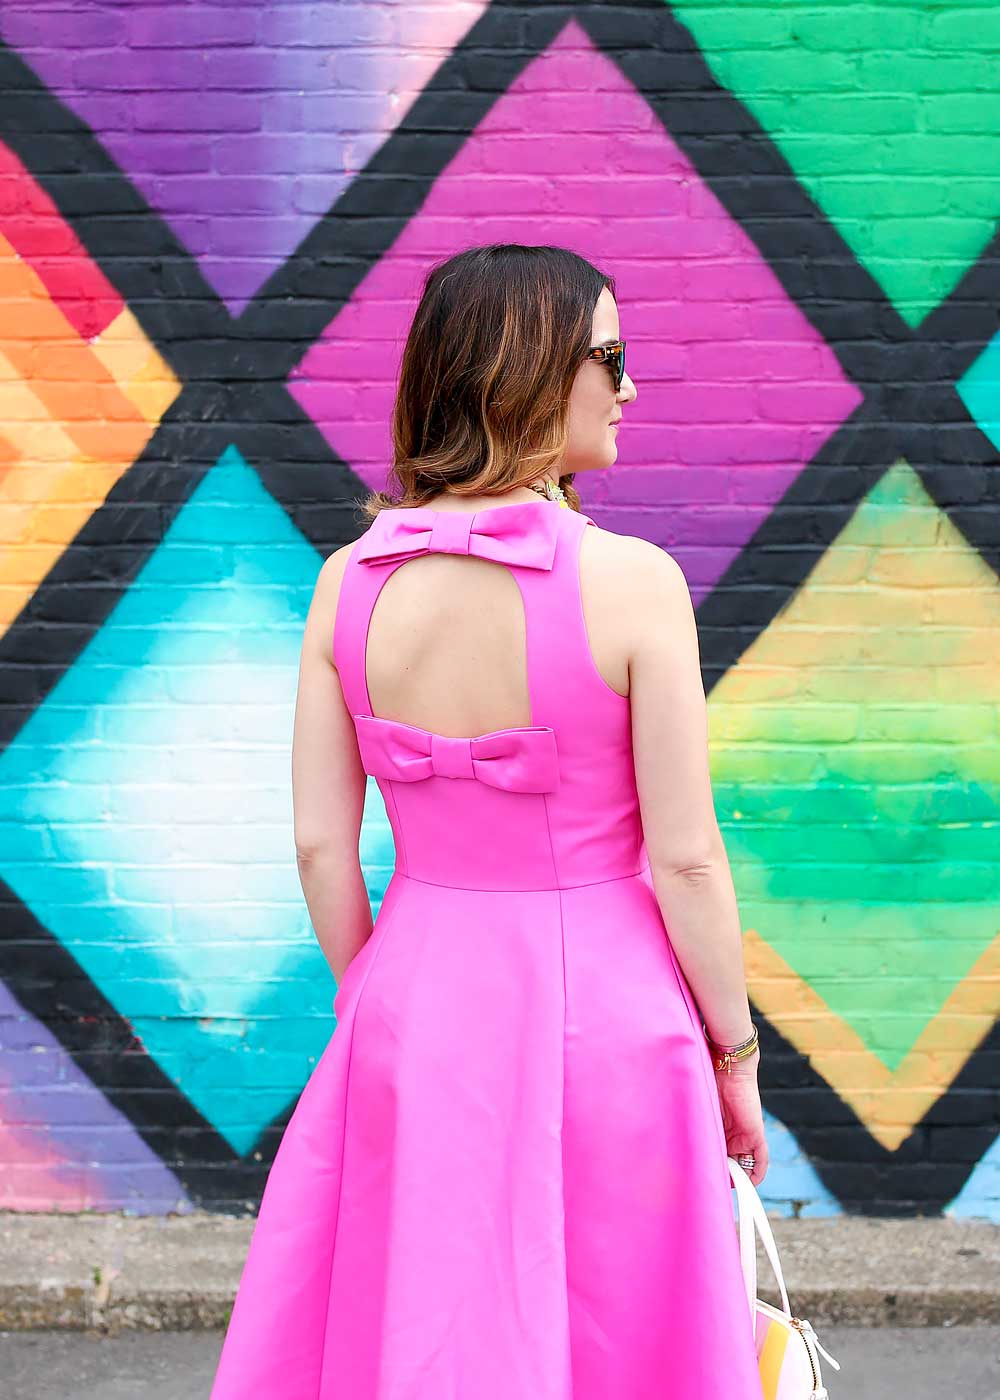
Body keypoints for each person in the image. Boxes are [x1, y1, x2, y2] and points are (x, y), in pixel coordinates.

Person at [210, 243, 767, 1399]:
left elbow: (321, 843)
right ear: (525, 372)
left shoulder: (345, 581)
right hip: (609, 1018)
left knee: (425, 1325)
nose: (630, 384)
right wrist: (735, 1050)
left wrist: (377, 996)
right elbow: (684, 855)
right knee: (613, 1334)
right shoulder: (634, 583)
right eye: (607, 356)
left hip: (414, 1000)